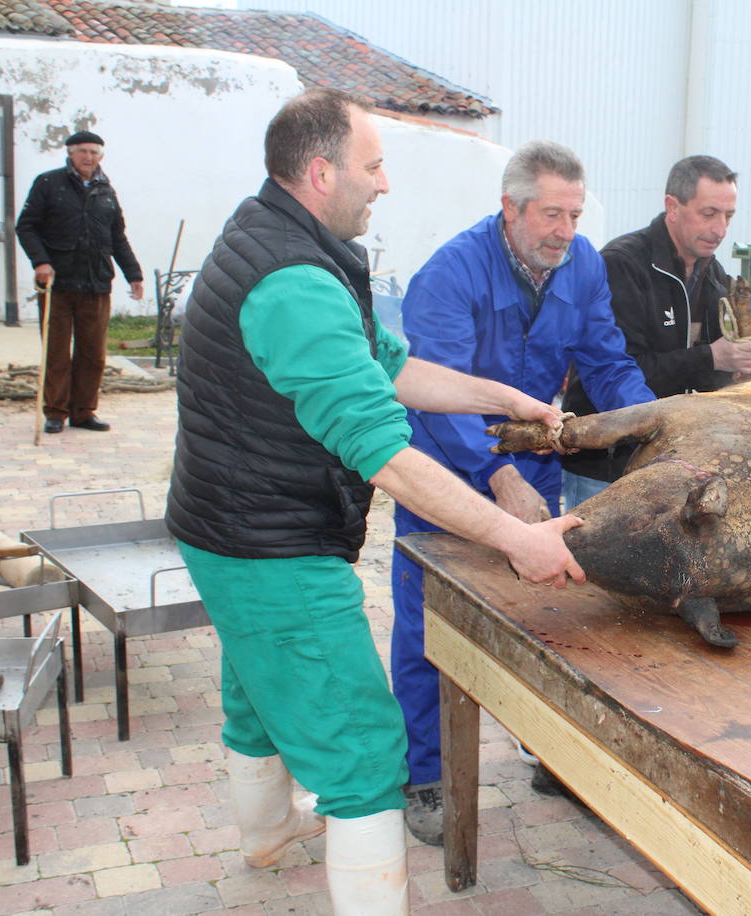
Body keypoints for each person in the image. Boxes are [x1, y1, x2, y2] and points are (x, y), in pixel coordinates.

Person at [166, 89, 585, 914]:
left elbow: (393, 365)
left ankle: (264, 836)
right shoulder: (294, 284)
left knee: (259, 690)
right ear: (321, 173)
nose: (384, 183)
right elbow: (386, 453)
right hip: (270, 544)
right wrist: (516, 538)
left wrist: (509, 399)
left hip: (223, 524)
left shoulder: (285, 239)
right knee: (361, 750)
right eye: (374, 165)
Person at [392, 140, 656, 842]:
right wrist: (495, 477)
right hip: (444, 470)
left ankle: (552, 753)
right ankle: (424, 777)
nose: (564, 232)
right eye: (550, 215)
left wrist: (654, 426)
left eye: (573, 214)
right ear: (508, 209)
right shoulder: (448, 275)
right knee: (429, 623)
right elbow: (434, 395)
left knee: (551, 613)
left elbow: (606, 357)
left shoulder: (584, 264)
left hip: (534, 462)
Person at [560, 155, 751, 503]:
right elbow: (616, 370)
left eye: (728, 216)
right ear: (672, 207)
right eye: (709, 213)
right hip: (606, 467)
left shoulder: (714, 276)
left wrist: (746, 369)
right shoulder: (622, 264)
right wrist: (712, 358)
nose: (720, 229)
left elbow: (707, 380)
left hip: (670, 461)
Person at [15, 130, 144, 434]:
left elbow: (117, 237)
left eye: (94, 152)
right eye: (82, 151)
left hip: (96, 282)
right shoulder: (48, 183)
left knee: (93, 354)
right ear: (70, 153)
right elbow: (27, 227)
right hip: (57, 283)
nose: (89, 157)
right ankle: (56, 412)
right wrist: (41, 262)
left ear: (101, 156)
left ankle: (83, 412)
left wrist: (134, 274)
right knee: (57, 352)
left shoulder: (106, 191)